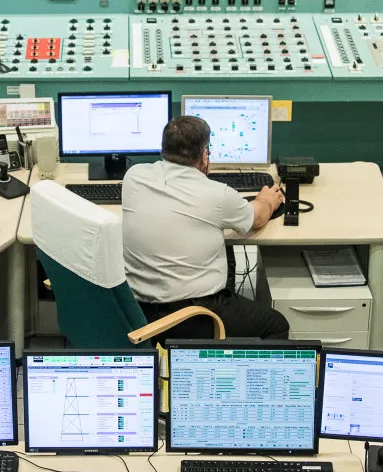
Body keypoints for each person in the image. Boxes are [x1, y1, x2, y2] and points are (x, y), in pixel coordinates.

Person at [120, 115, 289, 338]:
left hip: (139, 311)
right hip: (193, 314)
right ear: (205, 154)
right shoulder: (217, 194)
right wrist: (267, 199)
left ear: (163, 150)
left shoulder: (133, 176)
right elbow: (256, 218)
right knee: (277, 325)